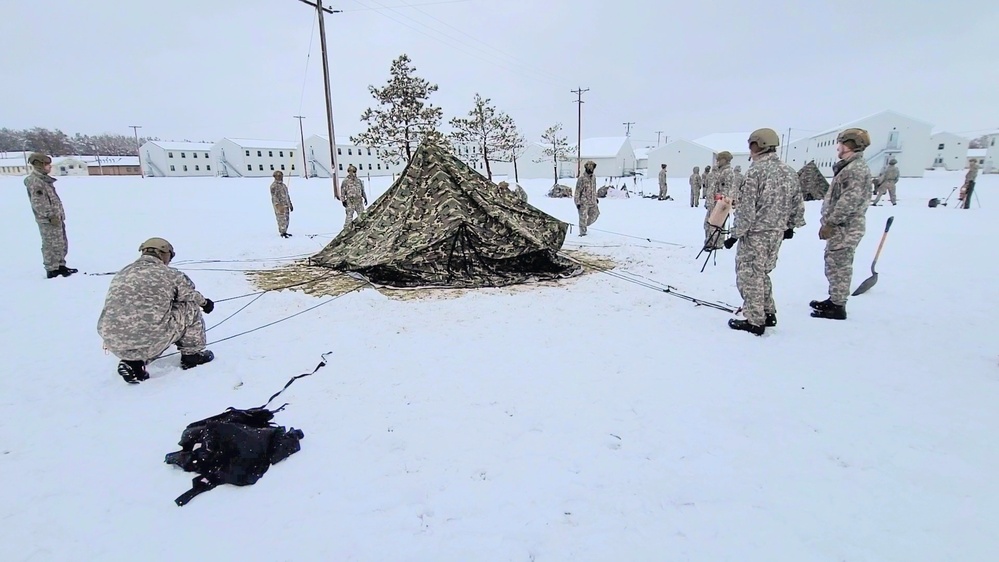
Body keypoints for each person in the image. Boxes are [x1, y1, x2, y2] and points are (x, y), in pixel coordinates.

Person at [97, 238, 215, 384]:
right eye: (170, 256)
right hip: (149, 338)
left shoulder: (123, 272)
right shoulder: (170, 274)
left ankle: (134, 364)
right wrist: (205, 303)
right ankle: (192, 355)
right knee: (189, 306)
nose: (169, 261)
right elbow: (190, 294)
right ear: (162, 253)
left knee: (142, 322)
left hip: (113, 340)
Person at [723, 129, 805, 335]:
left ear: (758, 145)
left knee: (749, 275)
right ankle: (767, 312)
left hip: (756, 233)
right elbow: (798, 202)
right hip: (776, 233)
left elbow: (746, 208)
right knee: (762, 273)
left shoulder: (756, 172)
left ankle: (755, 319)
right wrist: (790, 226)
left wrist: (735, 234)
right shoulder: (788, 171)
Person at [811, 128, 873, 320]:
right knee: (834, 263)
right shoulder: (849, 167)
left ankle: (838, 306)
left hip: (845, 228)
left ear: (850, 145)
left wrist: (831, 222)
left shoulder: (855, 170)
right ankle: (835, 299)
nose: (838, 147)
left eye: (841, 143)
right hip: (841, 228)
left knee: (840, 265)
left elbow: (848, 201)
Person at [24, 152, 77, 278]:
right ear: (39, 165)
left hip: (55, 218)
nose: (50, 167)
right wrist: (50, 215)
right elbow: (39, 202)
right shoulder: (35, 182)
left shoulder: (44, 180)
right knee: (51, 243)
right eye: (47, 164)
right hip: (48, 220)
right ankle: (52, 269)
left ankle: (60, 265)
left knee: (60, 242)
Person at [703, 152, 736, 250]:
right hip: (712, 203)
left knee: (716, 225)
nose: (717, 161)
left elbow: (727, 189)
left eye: (719, 159)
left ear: (725, 160)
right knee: (708, 224)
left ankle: (717, 244)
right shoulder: (718, 171)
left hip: (719, 204)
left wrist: (721, 201)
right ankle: (709, 241)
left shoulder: (728, 172)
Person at [574, 160, 599, 236]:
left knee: (596, 214)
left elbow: (594, 188)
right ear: (586, 168)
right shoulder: (581, 178)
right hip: (583, 202)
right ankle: (583, 233)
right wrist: (577, 202)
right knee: (583, 218)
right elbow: (577, 191)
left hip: (592, 201)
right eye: (589, 169)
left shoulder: (594, 177)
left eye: (592, 168)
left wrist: (596, 197)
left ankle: (585, 225)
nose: (591, 170)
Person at [270, 170, 294, 237]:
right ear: (275, 177)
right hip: (280, 206)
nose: (280, 177)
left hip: (286, 205)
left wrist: (290, 204)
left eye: (281, 176)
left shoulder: (283, 186)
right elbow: (274, 197)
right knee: (281, 219)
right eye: (278, 176)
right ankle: (282, 232)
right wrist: (278, 206)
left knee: (286, 219)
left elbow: (287, 196)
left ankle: (285, 231)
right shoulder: (274, 186)